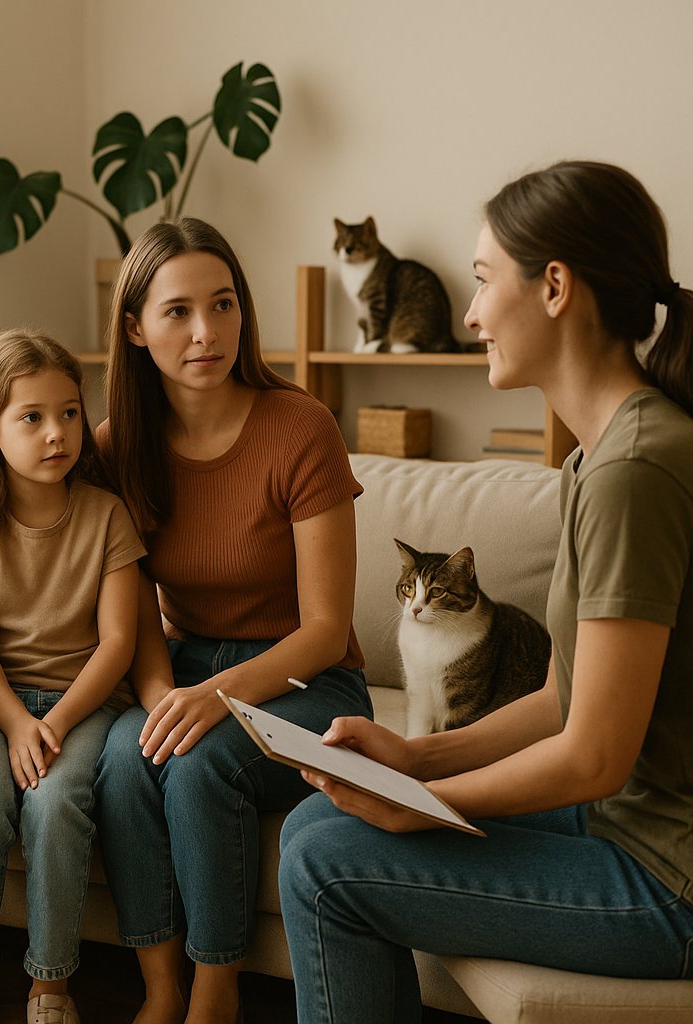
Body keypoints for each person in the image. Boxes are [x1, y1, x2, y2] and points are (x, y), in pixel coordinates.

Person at [278, 160, 693, 1023]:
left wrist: (422, 807)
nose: (469, 315)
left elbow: (594, 756)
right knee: (312, 827)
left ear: (555, 288)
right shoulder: (595, 458)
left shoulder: (638, 467)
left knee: (325, 863)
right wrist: (415, 761)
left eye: (480, 280)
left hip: (670, 876)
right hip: (623, 822)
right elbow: (564, 698)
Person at [92, 217, 373, 1024]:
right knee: (123, 757)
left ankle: (216, 993)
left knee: (200, 763)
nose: (206, 332)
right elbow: (136, 611)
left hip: (311, 681)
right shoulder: (117, 447)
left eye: (223, 305)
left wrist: (214, 697)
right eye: (178, 311)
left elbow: (325, 629)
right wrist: (158, 700)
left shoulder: (301, 427)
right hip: (184, 665)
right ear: (135, 328)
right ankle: (160, 988)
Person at [0, 331, 145, 1024]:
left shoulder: (107, 515)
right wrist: (17, 722)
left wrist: (52, 722)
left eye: (70, 413)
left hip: (84, 705)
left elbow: (119, 642)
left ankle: (50, 989)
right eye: (33, 417)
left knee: (55, 806)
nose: (58, 433)